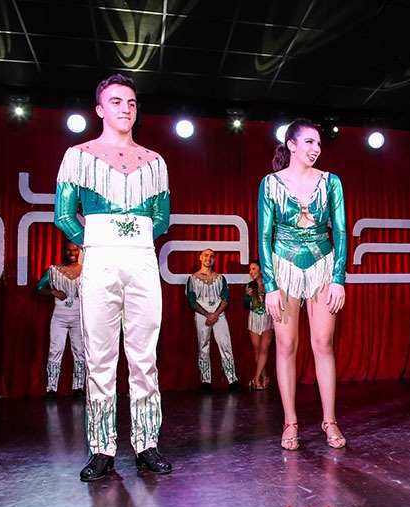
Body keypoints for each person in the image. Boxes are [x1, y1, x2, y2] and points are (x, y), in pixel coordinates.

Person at [55, 73, 172, 481]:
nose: (126, 108)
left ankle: (146, 444)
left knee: (144, 356)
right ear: (100, 109)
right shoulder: (78, 156)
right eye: (117, 101)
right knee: (100, 357)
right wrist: (97, 240)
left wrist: (132, 237)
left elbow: (161, 219)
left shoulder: (155, 162)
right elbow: (64, 215)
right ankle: (101, 448)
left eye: (132, 102)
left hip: (141, 259)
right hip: (100, 258)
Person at [257, 118, 347, 450]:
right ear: (292, 145)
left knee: (323, 344)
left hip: (322, 265)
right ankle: (290, 422)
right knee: (286, 345)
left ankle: (329, 420)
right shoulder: (270, 184)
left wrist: (338, 278)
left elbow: (340, 231)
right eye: (309, 142)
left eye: (319, 143)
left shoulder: (331, 182)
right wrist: (270, 284)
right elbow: (263, 236)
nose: (316, 149)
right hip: (284, 267)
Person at [34, 239, 85, 400]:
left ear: (79, 251)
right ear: (63, 250)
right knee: (55, 350)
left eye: (75, 250)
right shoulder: (53, 270)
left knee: (80, 351)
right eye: (69, 250)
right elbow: (38, 288)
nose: (72, 253)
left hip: (78, 316)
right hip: (60, 316)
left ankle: (79, 387)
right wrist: (52, 292)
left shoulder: (85, 270)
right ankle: (51, 388)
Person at [185, 249, 241, 394]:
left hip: (219, 313)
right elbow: (192, 301)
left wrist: (215, 314)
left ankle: (232, 379)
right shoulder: (193, 279)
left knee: (225, 344)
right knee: (203, 345)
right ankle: (205, 381)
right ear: (200, 258)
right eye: (206, 255)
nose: (208, 258)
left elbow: (226, 298)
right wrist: (206, 314)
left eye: (211, 256)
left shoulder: (220, 278)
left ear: (214, 259)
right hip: (201, 313)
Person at [244, 260, 273, 390]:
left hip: (268, 318)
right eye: (250, 270)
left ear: (261, 269)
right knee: (257, 350)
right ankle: (264, 377)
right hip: (254, 318)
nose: (251, 272)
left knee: (264, 348)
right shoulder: (250, 285)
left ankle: (256, 378)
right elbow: (245, 304)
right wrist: (248, 296)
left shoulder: (269, 284)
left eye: (254, 269)